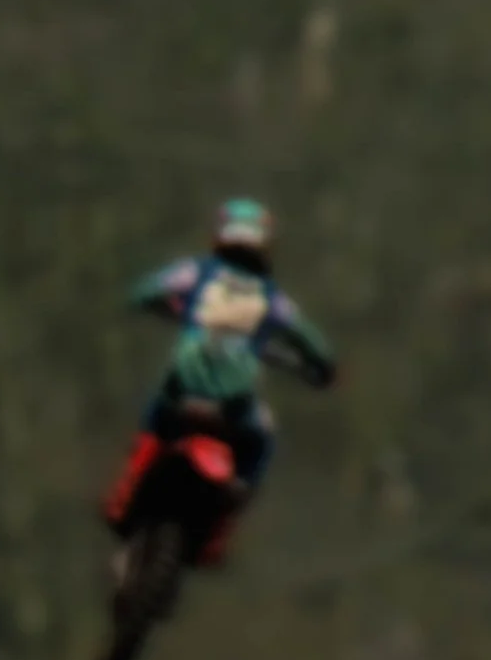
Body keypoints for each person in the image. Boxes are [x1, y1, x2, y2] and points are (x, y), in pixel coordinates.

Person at [124, 196, 337, 518]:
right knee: (262, 441)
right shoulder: (272, 299)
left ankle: (130, 483)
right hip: (232, 410)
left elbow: (144, 292)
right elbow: (311, 342)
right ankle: (233, 501)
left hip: (181, 395)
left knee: (156, 414)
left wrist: (173, 310)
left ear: (220, 233)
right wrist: (324, 369)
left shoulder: (195, 273)